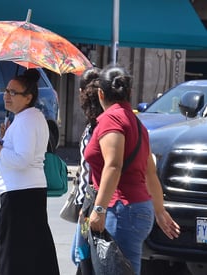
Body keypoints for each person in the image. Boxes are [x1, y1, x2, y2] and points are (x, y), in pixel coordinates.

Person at [84, 65, 180, 274]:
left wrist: (99, 209)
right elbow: (149, 172)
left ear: (101, 93)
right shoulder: (137, 124)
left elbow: (114, 165)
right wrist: (159, 210)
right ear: (129, 93)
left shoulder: (112, 120)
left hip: (121, 210)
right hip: (137, 210)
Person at [0, 69, 60, 275]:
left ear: (28, 98)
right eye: (6, 91)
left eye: (13, 93)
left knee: (14, 254)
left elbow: (23, 159)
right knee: (34, 252)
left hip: (19, 194)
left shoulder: (27, 120)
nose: (7, 96)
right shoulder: (30, 117)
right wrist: (5, 138)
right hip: (27, 191)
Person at [70, 67, 103, 273]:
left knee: (82, 254)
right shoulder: (92, 125)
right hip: (87, 203)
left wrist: (85, 207)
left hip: (89, 205)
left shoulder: (97, 127)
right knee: (81, 254)